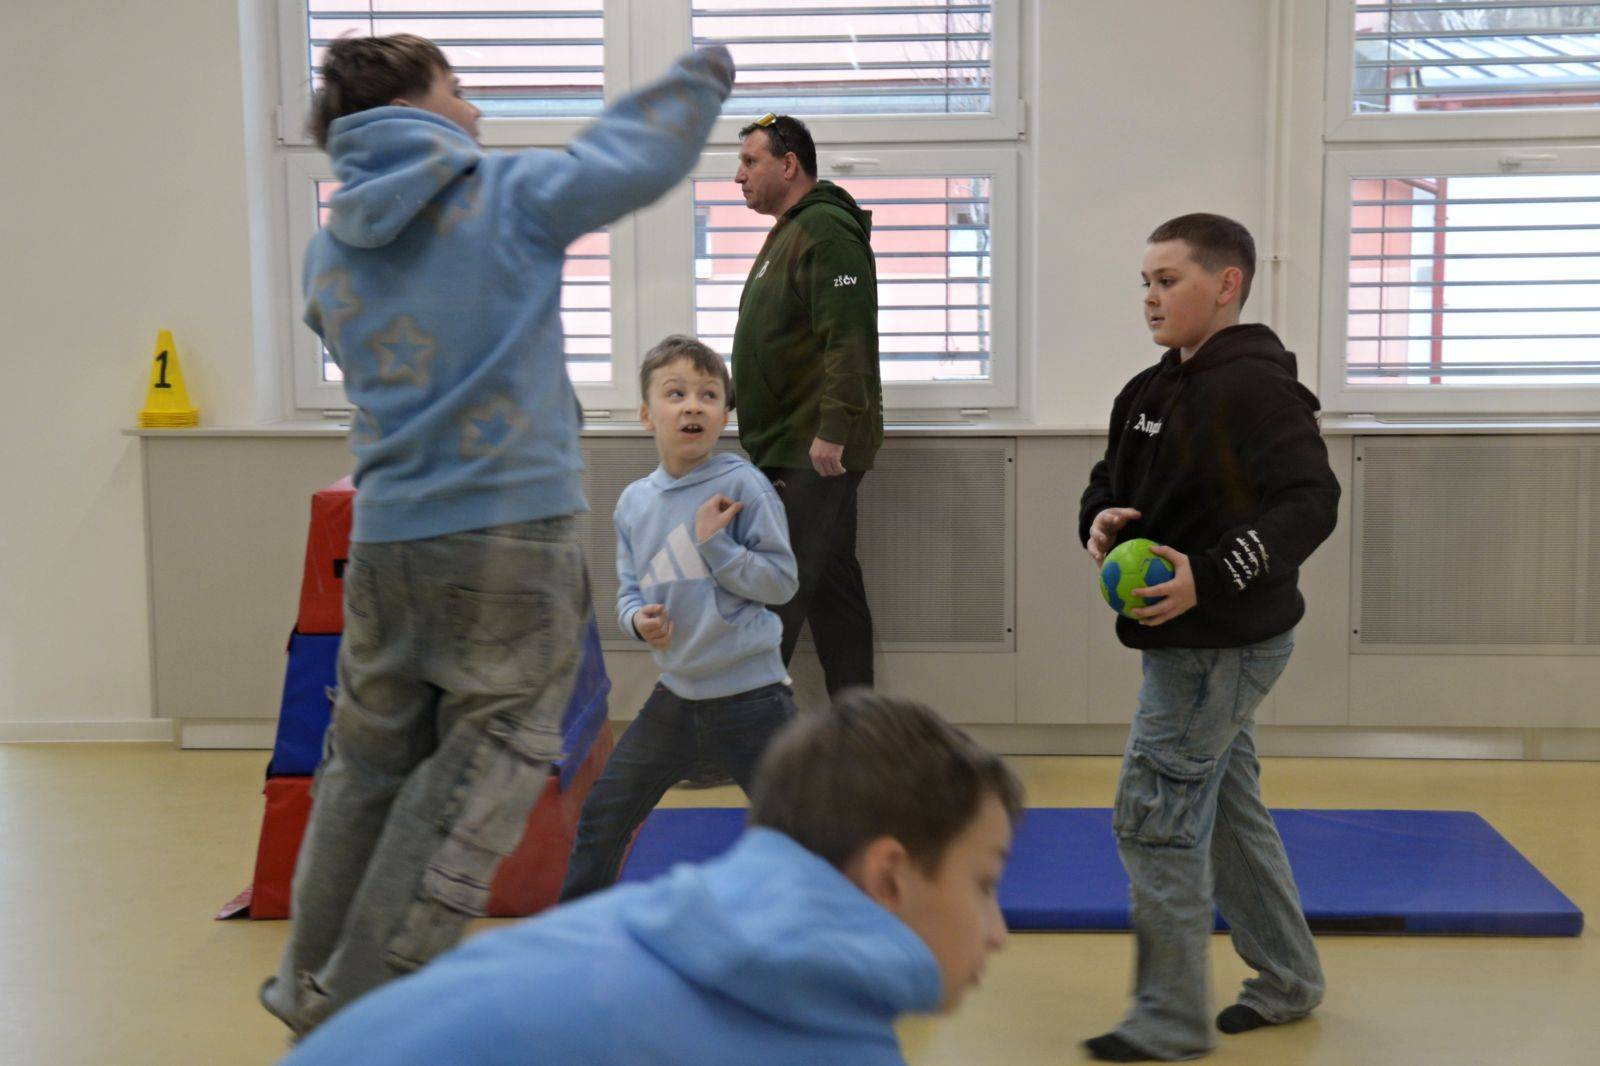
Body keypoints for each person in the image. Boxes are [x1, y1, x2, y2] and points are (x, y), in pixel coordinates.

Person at [260, 35, 735, 1036]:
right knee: (484, 770)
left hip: (386, 541)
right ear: (415, 112)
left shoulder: (328, 246)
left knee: (365, 769)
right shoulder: (502, 196)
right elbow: (630, 159)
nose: (474, 112)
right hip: (507, 535)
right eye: (459, 90)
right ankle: (361, 1015)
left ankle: (306, 985)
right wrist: (700, 77)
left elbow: (331, 326)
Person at [277, 690, 1023, 1066]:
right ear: (889, 875)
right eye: (984, 884)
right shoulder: (816, 1038)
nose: (998, 934)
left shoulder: (659, 923)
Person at [1077, 213, 1339, 1061]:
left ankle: (1167, 1021)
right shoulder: (1147, 391)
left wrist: (1210, 575)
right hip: (1184, 645)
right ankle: (1289, 979)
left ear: (1227, 285)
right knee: (1226, 811)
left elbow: (1311, 502)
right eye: (1145, 283)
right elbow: (1107, 480)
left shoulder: (1259, 389)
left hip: (1221, 646)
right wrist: (1098, 520)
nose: (1150, 298)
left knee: (1152, 818)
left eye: (1168, 281)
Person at [557, 335, 799, 901]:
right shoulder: (633, 503)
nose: (694, 405)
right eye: (676, 393)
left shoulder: (743, 485)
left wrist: (716, 546)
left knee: (802, 833)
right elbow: (629, 592)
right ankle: (578, 932)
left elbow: (782, 582)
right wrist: (637, 621)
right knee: (602, 815)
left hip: (754, 699)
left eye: (709, 395)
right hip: (677, 696)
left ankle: (825, 939)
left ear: (724, 414)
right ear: (647, 415)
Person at [731, 113, 882, 694]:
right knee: (832, 590)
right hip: (794, 444)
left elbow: (849, 337)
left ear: (789, 164)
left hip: (811, 449)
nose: (739, 176)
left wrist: (834, 428)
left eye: (751, 162)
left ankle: (745, 721)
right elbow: (778, 342)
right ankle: (857, 723)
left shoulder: (827, 232)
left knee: (779, 588)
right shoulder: (793, 231)